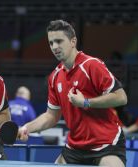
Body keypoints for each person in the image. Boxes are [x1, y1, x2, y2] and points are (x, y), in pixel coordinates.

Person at [18, 20, 128, 167]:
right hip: (75, 148)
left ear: (73, 41)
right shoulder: (54, 77)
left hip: (106, 144)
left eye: (59, 41)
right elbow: (51, 116)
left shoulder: (91, 65)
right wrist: (27, 128)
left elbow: (121, 97)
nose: (55, 47)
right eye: (51, 43)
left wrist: (86, 102)